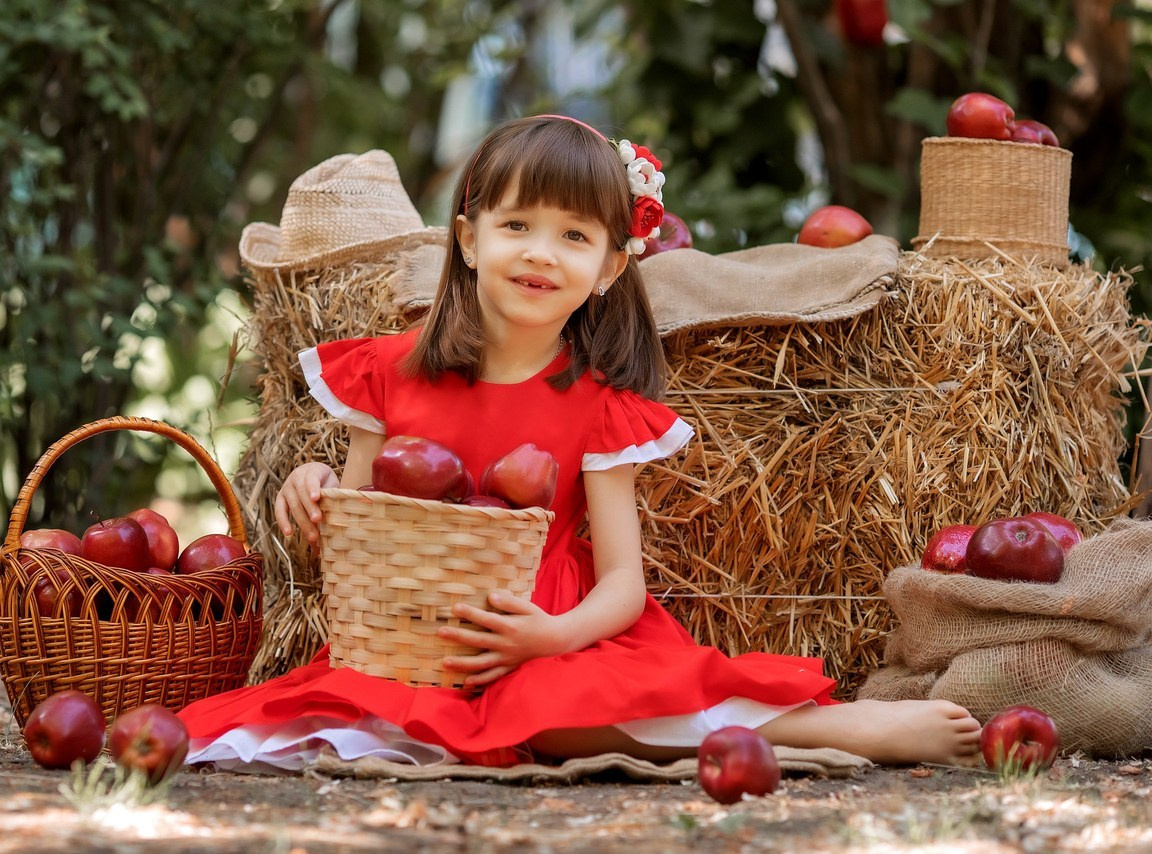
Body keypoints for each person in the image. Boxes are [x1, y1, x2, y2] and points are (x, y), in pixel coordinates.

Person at [177, 114, 982, 771]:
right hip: (416, 632)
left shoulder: (600, 408)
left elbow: (624, 584)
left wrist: (550, 635)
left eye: (572, 236)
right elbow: (354, 535)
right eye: (516, 224)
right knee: (344, 717)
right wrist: (314, 489)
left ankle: (828, 732)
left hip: (556, 629)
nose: (538, 252)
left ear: (607, 266)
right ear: (467, 238)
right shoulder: (388, 371)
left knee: (556, 714)